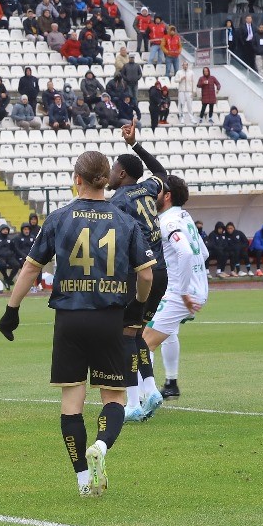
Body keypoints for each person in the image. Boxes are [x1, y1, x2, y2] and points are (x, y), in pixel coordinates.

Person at [0, 150, 154, 497]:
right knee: (115, 399)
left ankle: (83, 480)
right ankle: (100, 446)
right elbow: (146, 275)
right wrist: (138, 308)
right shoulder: (125, 219)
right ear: (104, 179)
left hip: (69, 319)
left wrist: (12, 308)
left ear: (76, 178)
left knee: (72, 403)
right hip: (110, 318)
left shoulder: (59, 218)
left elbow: (31, 268)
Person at [110, 122, 171, 422]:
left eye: (112, 168)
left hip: (138, 274)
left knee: (125, 335)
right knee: (136, 335)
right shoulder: (148, 188)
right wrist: (136, 145)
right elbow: (161, 173)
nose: (109, 173)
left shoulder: (117, 201)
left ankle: (131, 404)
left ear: (121, 173)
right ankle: (151, 390)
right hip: (160, 273)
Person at [144, 175, 207, 400]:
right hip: (195, 288)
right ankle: (171, 383)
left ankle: (144, 397)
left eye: (158, 192)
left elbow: (186, 252)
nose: (154, 195)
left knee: (144, 342)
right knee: (167, 332)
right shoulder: (185, 217)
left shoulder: (167, 222)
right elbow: (203, 252)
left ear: (167, 196)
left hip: (180, 292)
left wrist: (182, 291)